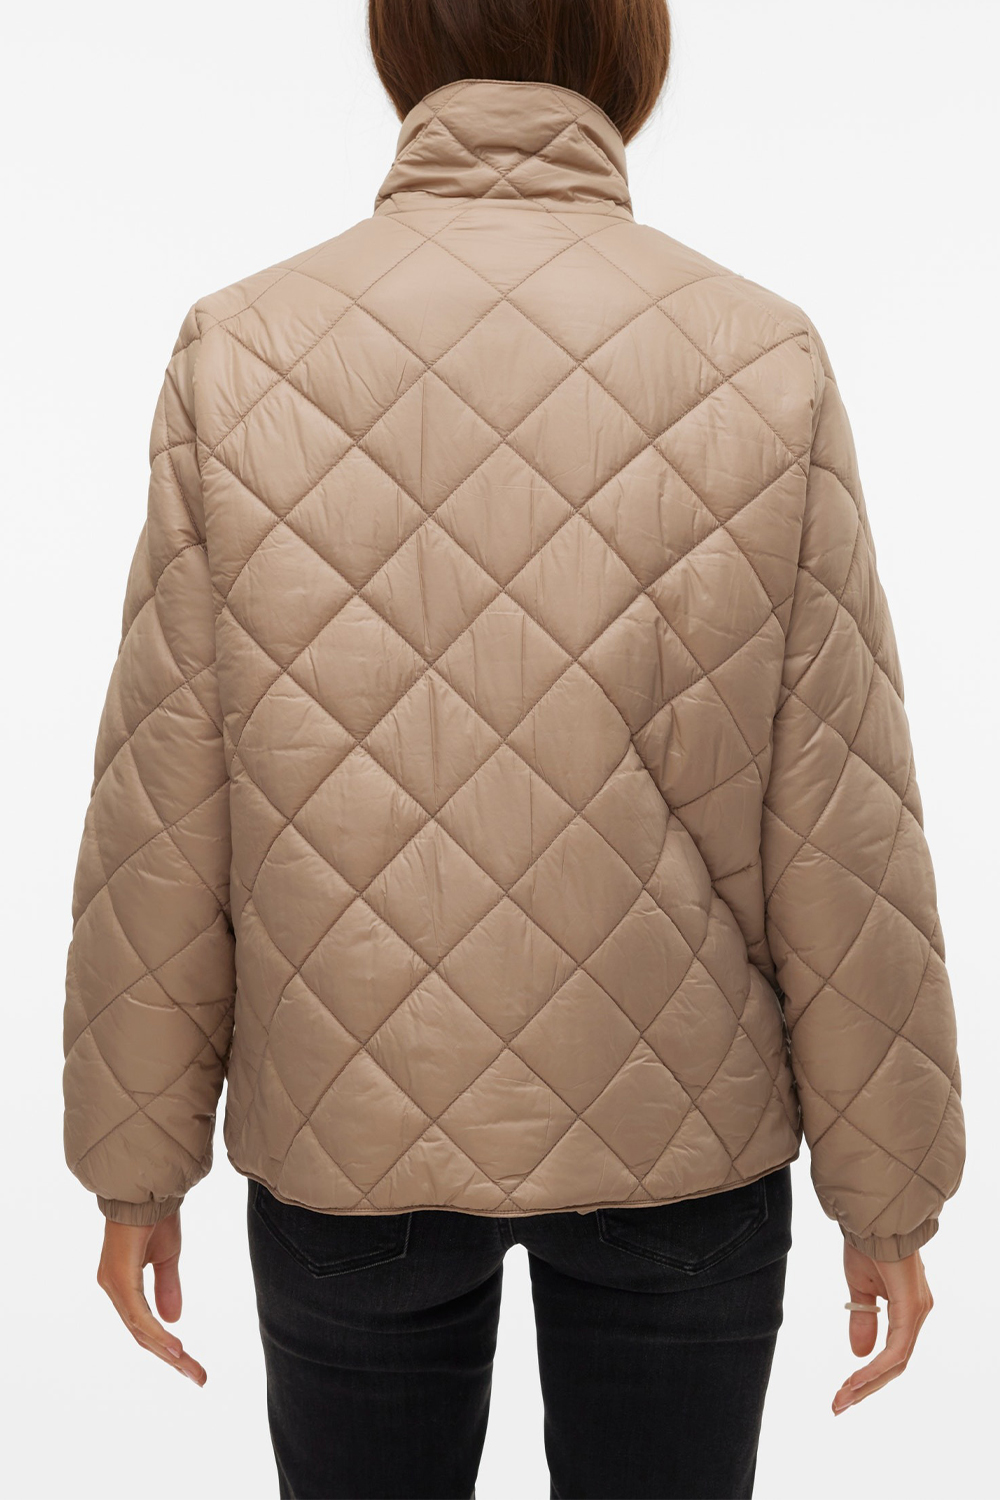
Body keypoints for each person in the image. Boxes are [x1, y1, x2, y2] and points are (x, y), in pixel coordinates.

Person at [62, 2, 965, 1496]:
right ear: (633, 49)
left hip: (351, 1145)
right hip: (681, 1139)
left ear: (398, 42)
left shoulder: (244, 349)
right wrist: (891, 1193)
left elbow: (166, 793)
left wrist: (133, 1161)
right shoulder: (760, 355)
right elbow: (839, 813)